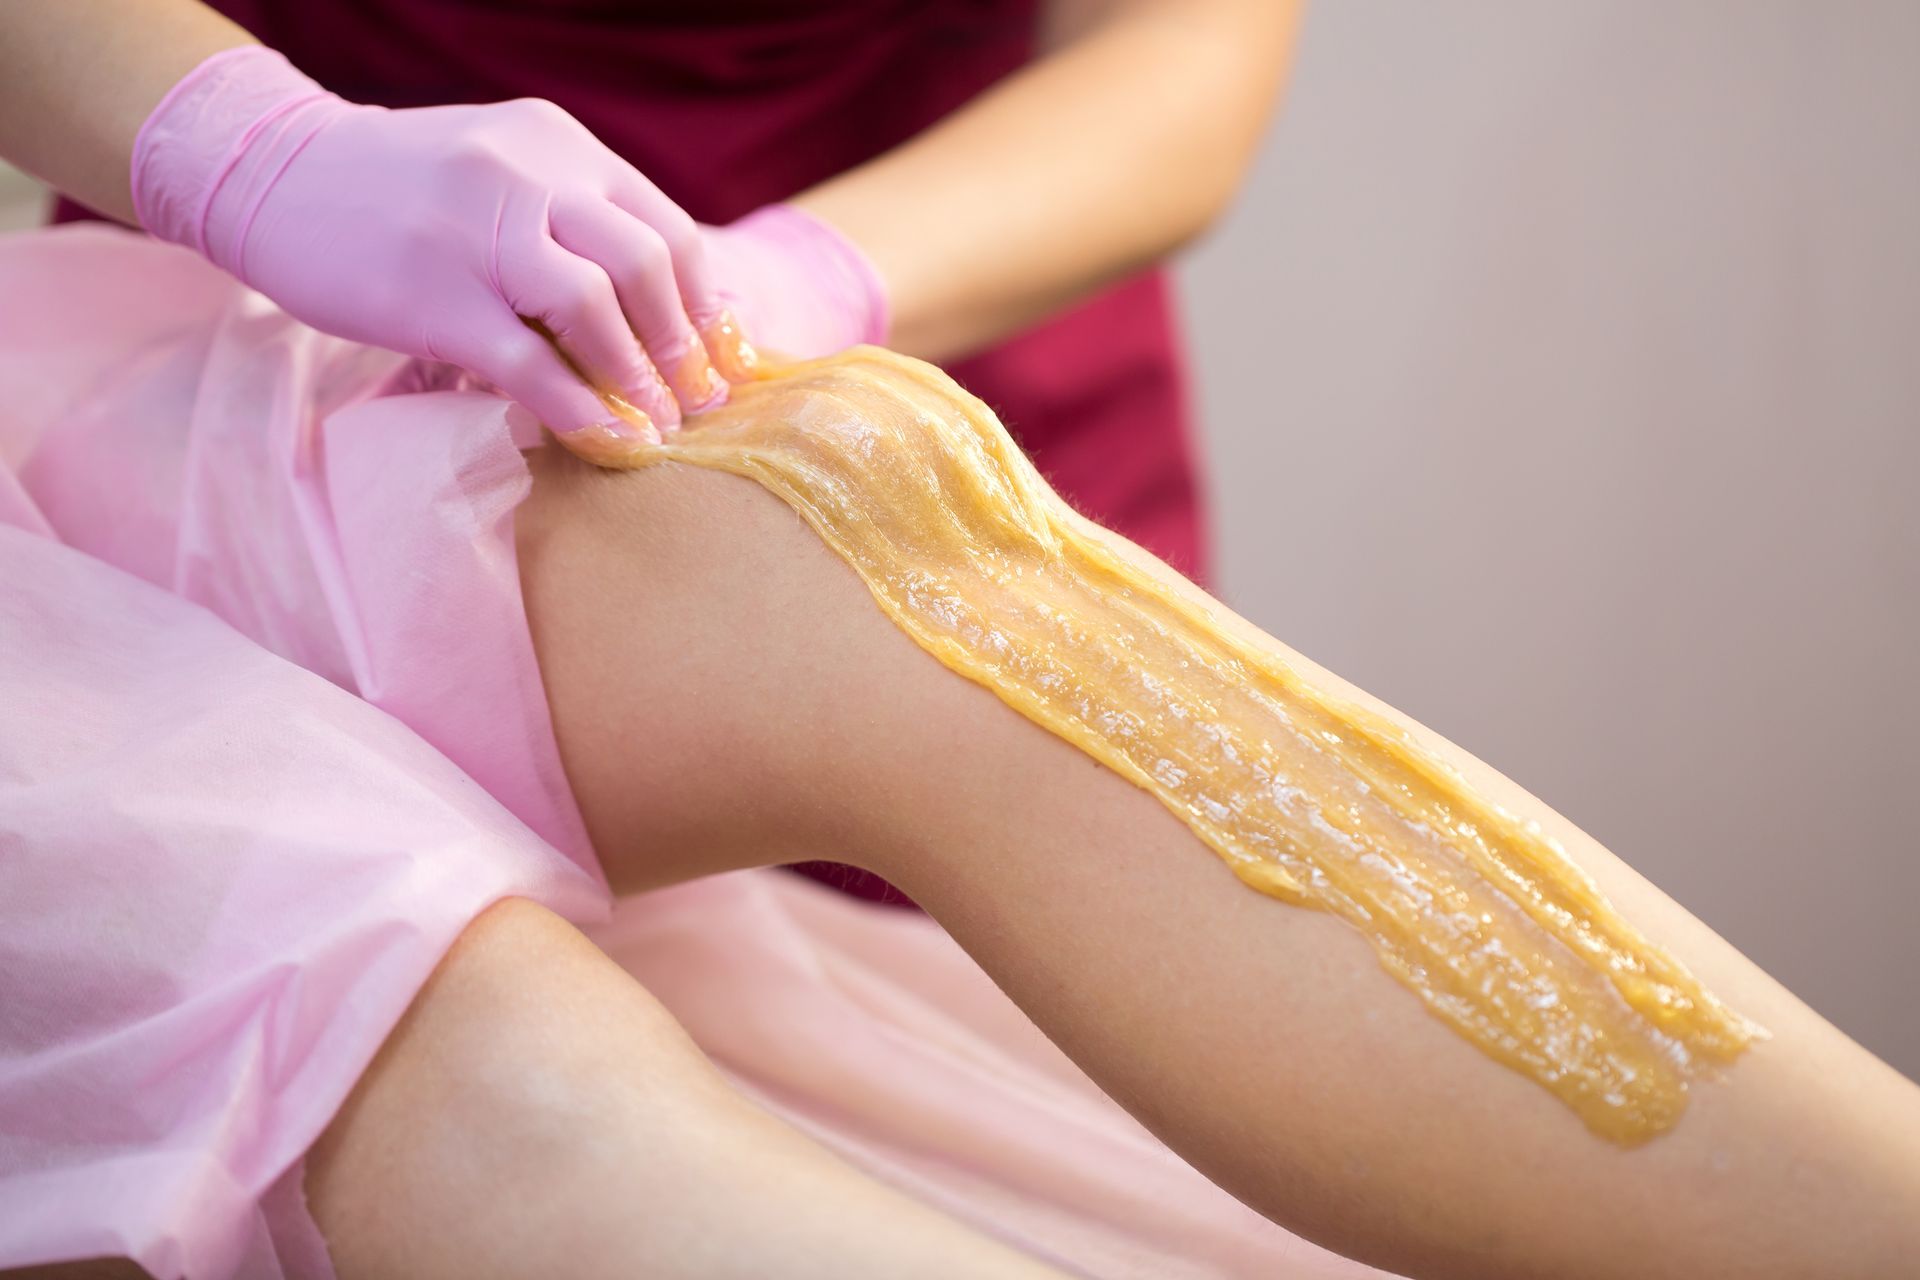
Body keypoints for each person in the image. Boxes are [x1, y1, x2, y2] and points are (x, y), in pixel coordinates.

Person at [3, 226, 1919, 1278]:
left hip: (558, 334)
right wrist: (235, 142)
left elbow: (1180, 70)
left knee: (860, 493)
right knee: (468, 1042)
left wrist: (818, 265)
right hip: (284, 280)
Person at [1, 0, 1298, 902]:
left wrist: (811, 277)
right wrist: (244, 147)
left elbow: (1185, 42)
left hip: (937, 375)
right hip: (270, 443)